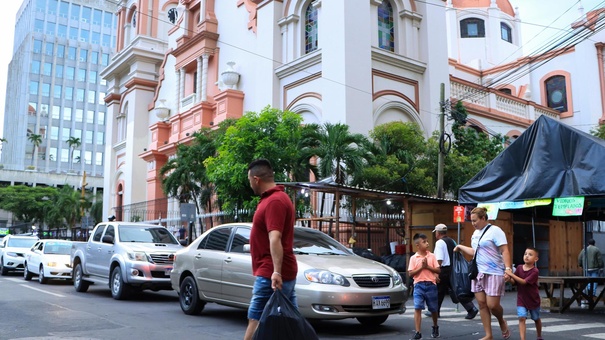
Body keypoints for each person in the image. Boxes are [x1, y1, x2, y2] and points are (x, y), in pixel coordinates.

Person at [243, 159, 298, 340]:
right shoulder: (273, 199)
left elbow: (275, 238)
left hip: (270, 273)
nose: (250, 184)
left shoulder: (275, 201)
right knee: (290, 322)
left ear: (256, 179)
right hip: (276, 271)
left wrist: (276, 272)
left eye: (250, 180)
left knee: (256, 318)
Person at [454, 207, 513, 340]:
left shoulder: (495, 231)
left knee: (493, 305)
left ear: (483, 218)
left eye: (475, 220)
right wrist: (460, 247)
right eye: (471, 221)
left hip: (494, 272)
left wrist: (508, 268)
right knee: (481, 303)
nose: (473, 223)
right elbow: (475, 252)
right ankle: (488, 334)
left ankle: (501, 321)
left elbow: (504, 250)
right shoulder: (475, 234)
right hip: (478, 273)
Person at [430, 223, 479, 319]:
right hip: (453, 269)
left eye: (435, 232)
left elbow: (439, 259)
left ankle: (435, 311)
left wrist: (436, 272)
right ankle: (471, 308)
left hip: (443, 270)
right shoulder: (452, 241)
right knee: (456, 290)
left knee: (439, 291)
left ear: (438, 232)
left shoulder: (439, 243)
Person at [504, 247, 543, 340]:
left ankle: (539, 335)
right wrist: (509, 279)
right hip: (521, 298)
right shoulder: (519, 268)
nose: (527, 256)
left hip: (533, 299)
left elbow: (524, 282)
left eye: (530, 255)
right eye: (525, 254)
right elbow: (515, 282)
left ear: (536, 259)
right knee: (521, 318)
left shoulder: (535, 271)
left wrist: (511, 274)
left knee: (536, 318)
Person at [408, 233, 441, 339]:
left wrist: (427, 267)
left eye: (427, 241)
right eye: (424, 242)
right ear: (418, 245)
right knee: (417, 307)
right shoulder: (414, 258)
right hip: (418, 285)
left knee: (433, 309)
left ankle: (435, 326)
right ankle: (418, 331)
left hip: (431, 285)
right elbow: (411, 273)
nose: (427, 243)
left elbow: (438, 269)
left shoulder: (432, 256)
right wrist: (422, 267)